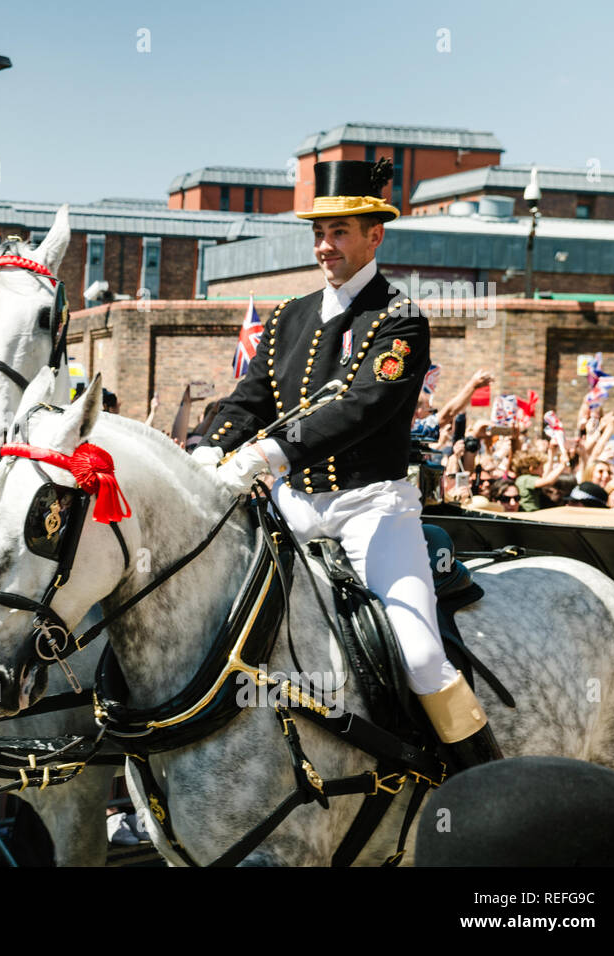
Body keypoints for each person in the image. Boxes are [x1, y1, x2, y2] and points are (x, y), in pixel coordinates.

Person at [195, 158, 501, 769]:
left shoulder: (401, 318)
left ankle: (481, 782)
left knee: (418, 654)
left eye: (339, 232)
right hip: (290, 510)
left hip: (371, 513)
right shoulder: (288, 316)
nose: (324, 245)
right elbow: (250, 399)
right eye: (318, 233)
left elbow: (362, 405)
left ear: (374, 235)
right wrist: (208, 448)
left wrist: (261, 454)